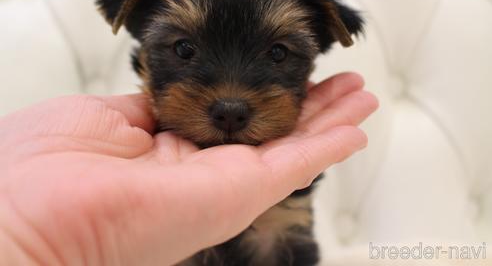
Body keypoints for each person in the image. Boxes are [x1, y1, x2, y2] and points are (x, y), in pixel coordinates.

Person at [0, 73, 377, 265]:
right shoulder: (112, 153)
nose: (230, 102)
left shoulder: (288, 187)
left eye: (277, 54)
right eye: (184, 49)